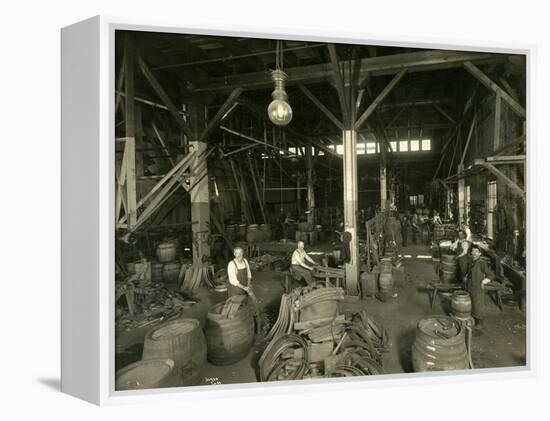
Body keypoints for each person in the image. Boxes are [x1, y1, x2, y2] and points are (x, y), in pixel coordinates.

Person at [467, 244, 495, 327]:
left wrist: (483, 282)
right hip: (471, 286)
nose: (474, 253)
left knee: (478, 304)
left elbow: (491, 275)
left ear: (480, 253)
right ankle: (473, 320)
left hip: (478, 287)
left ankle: (480, 322)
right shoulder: (472, 261)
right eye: (473, 251)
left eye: (476, 251)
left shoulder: (482, 263)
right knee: (472, 303)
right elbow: (470, 272)